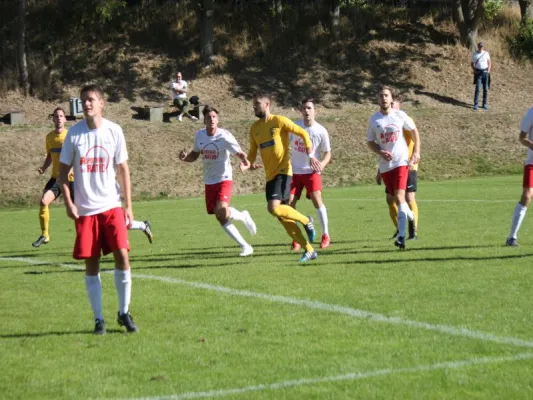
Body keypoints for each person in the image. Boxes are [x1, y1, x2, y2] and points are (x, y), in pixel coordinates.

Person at [59, 84, 138, 335]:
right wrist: (69, 203)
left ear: (102, 103)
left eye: (91, 99)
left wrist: (128, 206)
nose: (87, 104)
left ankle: (124, 312)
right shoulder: (74, 134)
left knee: (122, 255)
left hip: (111, 205)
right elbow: (62, 174)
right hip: (86, 210)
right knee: (91, 263)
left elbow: (123, 170)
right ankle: (98, 319)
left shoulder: (115, 131)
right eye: (84, 101)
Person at [240, 91, 321, 262]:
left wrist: (310, 152)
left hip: (283, 172)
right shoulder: (254, 128)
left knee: (273, 208)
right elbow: (253, 152)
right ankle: (309, 249)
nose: (254, 107)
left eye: (257, 104)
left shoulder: (279, 121)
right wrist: (248, 163)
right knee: (282, 217)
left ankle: (307, 220)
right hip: (270, 177)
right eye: (253, 104)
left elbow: (303, 133)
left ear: (267, 105)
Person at [179, 105, 257, 256]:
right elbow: (195, 155)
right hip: (209, 181)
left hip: (224, 178)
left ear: (218, 119)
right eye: (209, 117)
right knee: (220, 216)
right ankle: (243, 217)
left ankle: (246, 247)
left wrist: (245, 162)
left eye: (214, 117)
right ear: (205, 120)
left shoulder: (225, 136)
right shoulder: (199, 136)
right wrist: (185, 158)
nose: (212, 120)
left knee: (221, 209)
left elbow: (239, 152)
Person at [367, 86, 420, 249]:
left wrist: (416, 152)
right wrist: (380, 151)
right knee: (394, 200)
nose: (384, 98)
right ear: (378, 99)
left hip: (401, 162)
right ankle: (410, 217)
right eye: (381, 95)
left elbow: (415, 132)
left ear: (391, 99)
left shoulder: (400, 115)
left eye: (386, 95)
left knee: (399, 198)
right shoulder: (374, 120)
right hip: (385, 167)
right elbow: (370, 142)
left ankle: (402, 237)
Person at [288, 98, 332, 251]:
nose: (306, 111)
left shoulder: (321, 131)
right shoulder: (294, 127)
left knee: (316, 198)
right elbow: (284, 143)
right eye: (304, 108)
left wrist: (322, 164)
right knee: (289, 203)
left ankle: (326, 234)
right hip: (294, 172)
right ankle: (297, 238)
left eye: (309, 108)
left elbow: (328, 153)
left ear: (315, 111)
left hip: (311, 172)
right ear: (301, 111)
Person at [32, 107, 75, 248]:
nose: (59, 119)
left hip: (72, 179)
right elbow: (50, 155)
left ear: (65, 119)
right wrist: (44, 167)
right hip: (56, 178)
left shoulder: (71, 136)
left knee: (80, 211)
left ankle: (89, 236)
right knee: (44, 201)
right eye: (56, 116)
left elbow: (77, 156)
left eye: (61, 116)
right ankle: (45, 235)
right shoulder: (49, 137)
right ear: (53, 119)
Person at [505, 106, 533, 247]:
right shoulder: (532, 112)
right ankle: (512, 237)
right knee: (527, 196)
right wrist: (532, 146)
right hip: (532, 163)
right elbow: (522, 138)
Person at [471, 42, 491, 111]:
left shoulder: (486, 53)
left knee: (485, 89)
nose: (480, 47)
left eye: (482, 46)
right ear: (478, 46)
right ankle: (476, 104)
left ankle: (484, 104)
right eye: (479, 46)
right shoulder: (475, 54)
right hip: (478, 73)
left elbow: (489, 63)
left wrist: (488, 70)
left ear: (483, 47)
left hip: (485, 73)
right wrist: (474, 70)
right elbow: (472, 63)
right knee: (478, 89)